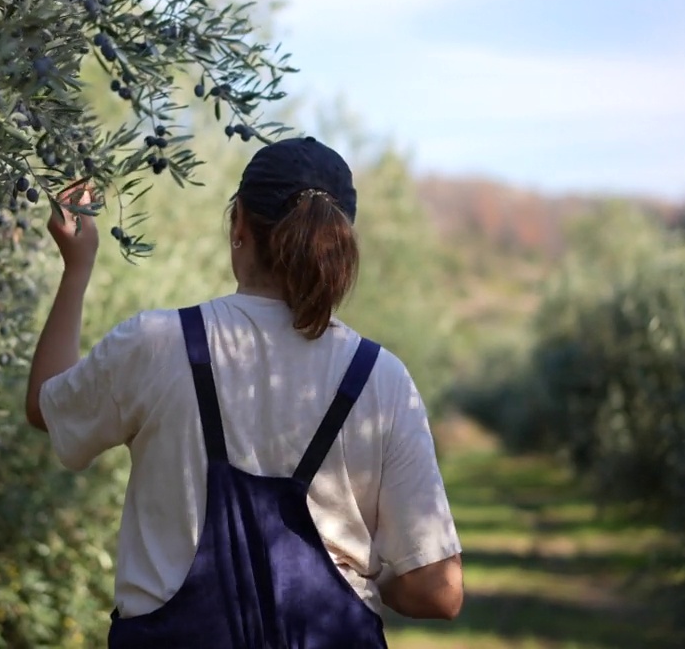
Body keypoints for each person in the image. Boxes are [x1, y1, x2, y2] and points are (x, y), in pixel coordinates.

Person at [25, 136, 464, 648]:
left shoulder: (158, 344)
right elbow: (439, 591)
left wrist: (77, 267)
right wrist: (366, 576)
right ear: (340, 241)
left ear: (238, 227)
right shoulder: (381, 378)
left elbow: (45, 406)